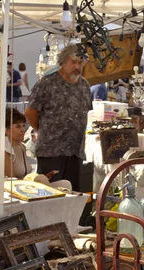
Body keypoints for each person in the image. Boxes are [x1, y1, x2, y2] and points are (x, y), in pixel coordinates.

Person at [25, 44, 93, 191]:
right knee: (50, 195)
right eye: (73, 62)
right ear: (63, 62)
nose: (77, 66)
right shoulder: (47, 83)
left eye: (80, 62)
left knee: (74, 195)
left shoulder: (84, 86)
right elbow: (30, 113)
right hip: (51, 151)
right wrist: (43, 130)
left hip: (75, 151)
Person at [0, 108, 71, 190]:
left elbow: (26, 175)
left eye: (23, 125)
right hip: (18, 191)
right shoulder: (4, 151)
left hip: (28, 186)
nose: (23, 130)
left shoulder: (22, 147)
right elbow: (11, 183)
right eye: (18, 126)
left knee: (65, 184)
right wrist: (35, 182)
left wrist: (42, 178)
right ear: (7, 130)